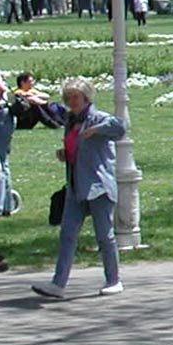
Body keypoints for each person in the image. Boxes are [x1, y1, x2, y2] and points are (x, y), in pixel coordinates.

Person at [30, 78, 127, 300]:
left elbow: (120, 128)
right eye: (68, 97)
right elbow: (78, 149)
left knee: (104, 236)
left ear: (86, 97)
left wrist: (96, 130)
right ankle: (58, 284)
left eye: (76, 97)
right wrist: (65, 154)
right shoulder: (70, 121)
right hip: (76, 187)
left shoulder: (97, 118)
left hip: (98, 186)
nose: (72, 101)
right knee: (67, 234)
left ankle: (114, 280)